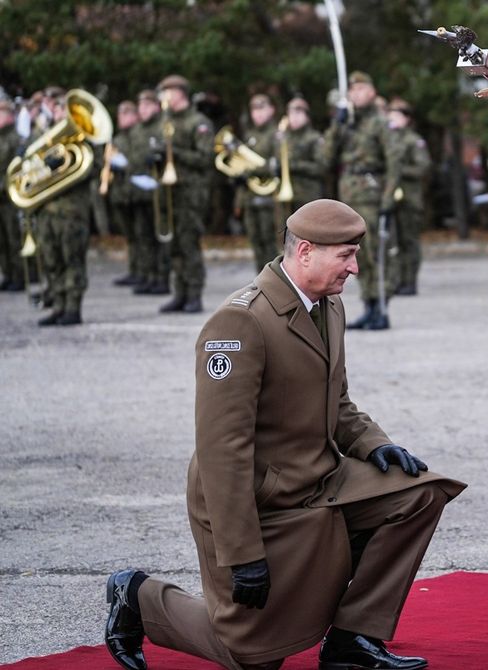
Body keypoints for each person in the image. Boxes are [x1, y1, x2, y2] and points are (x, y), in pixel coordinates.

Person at [103, 199, 466, 670]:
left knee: (417, 495)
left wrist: (376, 443)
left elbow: (337, 403)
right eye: (346, 256)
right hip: (258, 502)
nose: (355, 268)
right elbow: (221, 451)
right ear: (307, 252)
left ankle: (353, 640)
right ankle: (138, 597)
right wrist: (242, 552)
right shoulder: (240, 322)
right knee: (250, 656)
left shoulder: (327, 306)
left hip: (317, 483)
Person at [324, 71, 404, 330]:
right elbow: (326, 158)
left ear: (371, 92)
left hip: (372, 194)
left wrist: (388, 196)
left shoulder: (380, 123)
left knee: (375, 255)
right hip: (349, 195)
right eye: (352, 90)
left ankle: (381, 307)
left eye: (359, 89)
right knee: (355, 256)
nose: (354, 94)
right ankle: (368, 305)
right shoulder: (348, 124)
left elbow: (394, 161)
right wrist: (338, 125)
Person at [30, 90, 93, 326]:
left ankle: (73, 308)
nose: (57, 114)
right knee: (51, 259)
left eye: (62, 110)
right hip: (47, 210)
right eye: (56, 109)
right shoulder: (44, 137)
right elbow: (31, 171)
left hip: (71, 212)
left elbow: (90, 170)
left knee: (72, 259)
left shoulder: (83, 139)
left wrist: (58, 165)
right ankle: (57, 305)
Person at [155, 75, 216, 314]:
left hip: (191, 193)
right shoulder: (165, 121)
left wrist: (174, 152)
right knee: (174, 246)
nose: (164, 97)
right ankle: (178, 293)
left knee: (189, 244)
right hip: (170, 192)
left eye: (167, 92)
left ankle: (194, 294)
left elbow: (204, 158)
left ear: (179, 93)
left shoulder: (198, 122)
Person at [127, 89, 171, 296]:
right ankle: (148, 276)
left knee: (158, 236)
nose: (142, 110)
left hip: (158, 191)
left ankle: (162, 277)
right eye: (140, 106)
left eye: (147, 105)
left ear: (155, 106)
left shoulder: (162, 126)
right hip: (138, 190)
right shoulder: (136, 130)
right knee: (143, 237)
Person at [387, 98, 432, 296]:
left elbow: (423, 167)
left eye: (397, 116)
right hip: (391, 197)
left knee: (409, 241)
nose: (392, 119)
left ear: (406, 119)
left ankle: (410, 281)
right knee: (394, 242)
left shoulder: (413, 140)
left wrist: (399, 170)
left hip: (409, 198)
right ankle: (398, 279)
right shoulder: (388, 139)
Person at [237, 94, 281, 272]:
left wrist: (250, 171)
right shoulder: (250, 135)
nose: (257, 114)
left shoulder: (276, 135)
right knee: (255, 242)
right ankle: (261, 280)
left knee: (269, 241)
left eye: (261, 109)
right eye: (254, 110)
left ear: (271, 110)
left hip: (269, 195)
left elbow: (274, 165)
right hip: (250, 195)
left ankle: (275, 281)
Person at [107, 100, 143, 287]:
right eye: (120, 114)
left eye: (126, 113)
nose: (121, 117)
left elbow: (139, 160)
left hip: (138, 193)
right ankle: (134, 270)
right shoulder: (118, 138)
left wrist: (126, 164)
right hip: (122, 193)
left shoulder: (138, 134)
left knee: (142, 235)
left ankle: (145, 272)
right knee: (131, 236)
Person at [279, 96, 326, 213]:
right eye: (291, 114)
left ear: (307, 116)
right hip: (287, 199)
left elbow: (321, 168)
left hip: (308, 196)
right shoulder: (284, 138)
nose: (294, 118)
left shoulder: (314, 138)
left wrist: (295, 166)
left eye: (298, 113)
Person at [0, 97, 23, 292]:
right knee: (2, 240)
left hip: (10, 197)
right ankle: (7, 274)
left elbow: (17, 169)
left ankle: (18, 276)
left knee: (13, 237)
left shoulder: (15, 138)